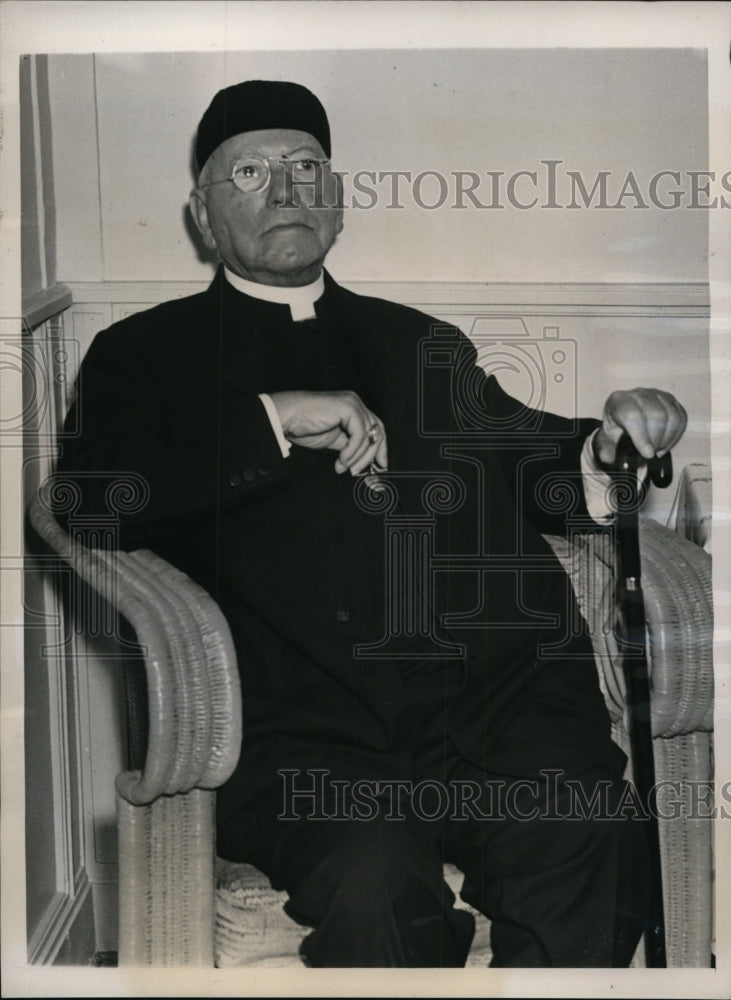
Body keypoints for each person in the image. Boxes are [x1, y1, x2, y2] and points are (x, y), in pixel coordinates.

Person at [57, 80, 687, 967]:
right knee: (378, 889)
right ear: (203, 216)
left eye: (308, 168)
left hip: (499, 716)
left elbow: (522, 455)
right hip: (313, 743)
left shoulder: (415, 340)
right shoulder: (143, 357)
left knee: (592, 841)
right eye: (251, 170)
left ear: (338, 200)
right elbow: (88, 498)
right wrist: (272, 418)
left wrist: (604, 443)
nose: (287, 190)